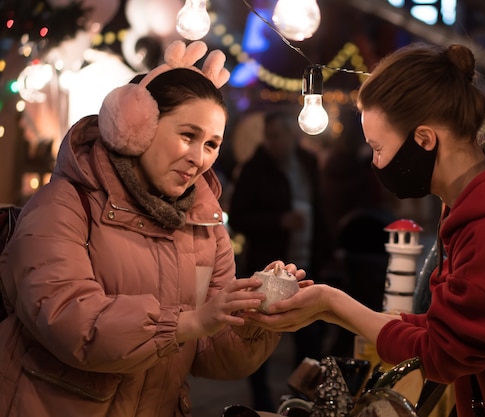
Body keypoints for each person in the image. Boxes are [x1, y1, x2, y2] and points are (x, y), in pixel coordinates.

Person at [244, 42, 485, 415]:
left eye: (378, 148)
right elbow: (450, 326)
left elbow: (442, 354)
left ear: (424, 139)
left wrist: (331, 303)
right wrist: (327, 308)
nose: (376, 164)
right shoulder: (483, 205)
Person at [0, 40, 304, 417]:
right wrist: (188, 321)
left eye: (212, 144)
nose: (199, 158)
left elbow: (210, 355)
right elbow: (70, 322)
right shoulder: (63, 204)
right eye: (188, 135)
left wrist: (258, 317)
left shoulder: (205, 226)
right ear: (136, 127)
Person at [228, 109, 331, 411]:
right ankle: (260, 403)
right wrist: (279, 221)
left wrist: (327, 252)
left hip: (305, 264)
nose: (272, 142)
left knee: (309, 340)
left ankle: (301, 402)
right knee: (259, 338)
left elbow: (320, 208)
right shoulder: (254, 168)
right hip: (266, 272)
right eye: (268, 136)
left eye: (278, 136)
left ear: (293, 135)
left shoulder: (308, 163)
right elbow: (240, 218)